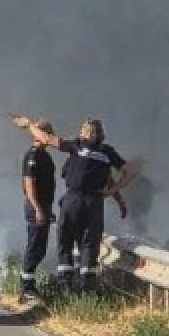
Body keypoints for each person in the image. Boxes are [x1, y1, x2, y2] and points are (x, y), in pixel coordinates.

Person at [53, 118, 136, 288]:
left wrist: (28, 125)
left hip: (79, 200)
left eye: (92, 132)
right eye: (87, 131)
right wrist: (117, 197)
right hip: (88, 201)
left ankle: (74, 285)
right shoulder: (102, 153)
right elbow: (112, 177)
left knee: (76, 241)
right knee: (79, 241)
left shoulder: (79, 148)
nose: (89, 134)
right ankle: (77, 285)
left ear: (99, 134)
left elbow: (125, 173)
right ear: (82, 132)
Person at [10, 114, 59, 304]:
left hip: (43, 207)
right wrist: (38, 208)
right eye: (48, 132)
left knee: (40, 248)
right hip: (35, 208)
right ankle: (26, 288)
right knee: (35, 247)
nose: (51, 135)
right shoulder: (33, 155)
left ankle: (29, 287)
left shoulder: (44, 156)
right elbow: (29, 184)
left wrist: (47, 210)